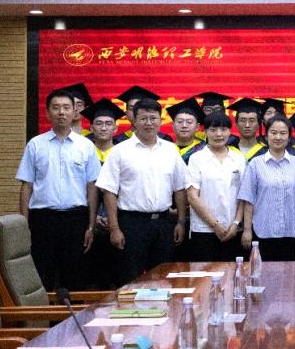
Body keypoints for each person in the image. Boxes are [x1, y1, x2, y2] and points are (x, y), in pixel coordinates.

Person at [16, 88, 102, 291]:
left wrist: (91, 225)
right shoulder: (35, 145)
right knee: (43, 275)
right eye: (56, 108)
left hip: (76, 219)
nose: (61, 112)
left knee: (74, 277)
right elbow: (26, 186)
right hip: (43, 219)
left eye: (66, 107)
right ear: (48, 113)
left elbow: (92, 187)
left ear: (74, 112)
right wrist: (24, 224)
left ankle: (72, 313)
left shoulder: (86, 146)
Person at [96, 97, 188, 282]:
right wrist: (114, 229)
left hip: (163, 224)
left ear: (160, 121)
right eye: (143, 118)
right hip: (131, 224)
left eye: (153, 118)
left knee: (164, 279)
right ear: (134, 121)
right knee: (130, 279)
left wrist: (180, 221)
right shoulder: (120, 151)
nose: (149, 123)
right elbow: (109, 192)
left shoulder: (170, 150)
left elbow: (180, 188)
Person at [238, 116, 295, 261]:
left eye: (283, 133)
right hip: (262, 232)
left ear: (289, 136)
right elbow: (249, 200)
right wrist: (247, 230)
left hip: (291, 232)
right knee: (262, 272)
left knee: (291, 273)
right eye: (273, 132)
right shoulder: (255, 164)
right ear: (266, 136)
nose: (278, 137)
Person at [185, 111, 245, 261]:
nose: (219, 134)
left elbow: (244, 195)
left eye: (223, 129)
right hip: (204, 230)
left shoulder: (238, 158)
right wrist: (215, 225)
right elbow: (192, 197)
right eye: (213, 130)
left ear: (230, 131)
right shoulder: (196, 158)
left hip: (233, 230)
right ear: (204, 131)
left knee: (233, 273)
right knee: (204, 274)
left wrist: (236, 223)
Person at [80, 97, 125, 289]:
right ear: (91, 127)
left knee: (119, 276)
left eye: (108, 123)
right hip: (87, 221)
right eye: (99, 123)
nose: (104, 128)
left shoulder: (124, 153)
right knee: (89, 276)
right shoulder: (82, 152)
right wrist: (93, 217)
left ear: (116, 128)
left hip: (120, 221)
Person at [167, 96, 205, 164]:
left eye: (189, 122)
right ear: (173, 126)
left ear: (197, 127)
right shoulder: (164, 149)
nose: (184, 125)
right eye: (180, 122)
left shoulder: (204, 150)